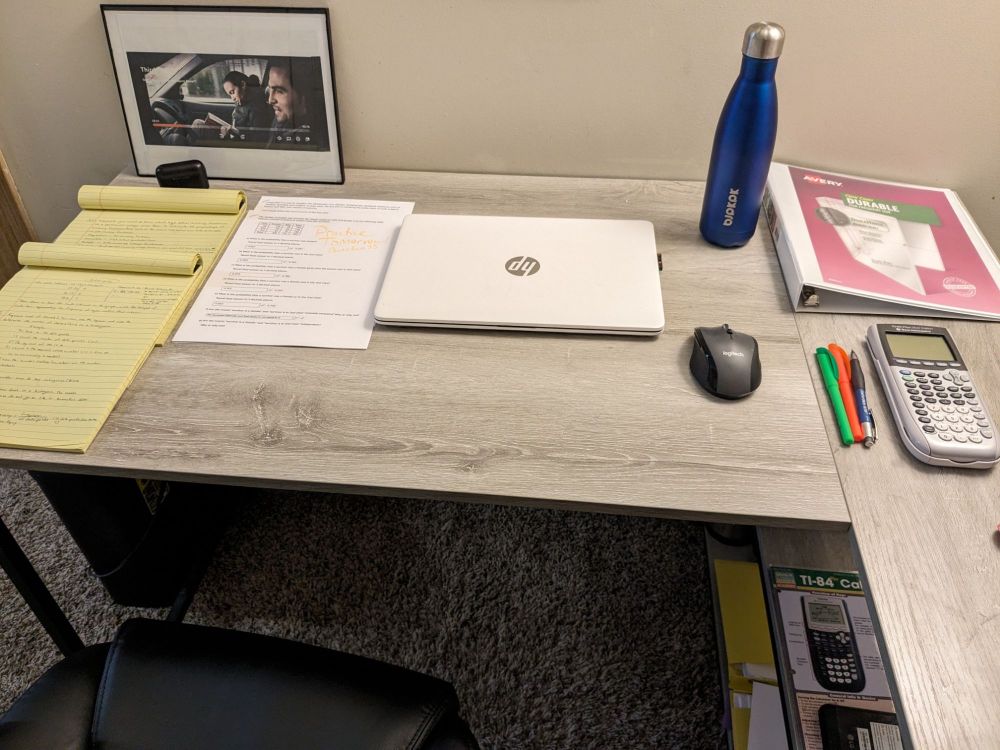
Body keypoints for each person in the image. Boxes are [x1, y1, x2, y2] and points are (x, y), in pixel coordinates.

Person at [265, 58, 327, 148]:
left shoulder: (312, 140)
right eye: (269, 89)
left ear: (304, 97)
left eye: (279, 91)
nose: (270, 100)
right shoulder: (280, 120)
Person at [221, 71, 271, 139]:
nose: (232, 98)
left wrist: (234, 133)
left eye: (232, 92)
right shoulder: (243, 102)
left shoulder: (257, 106)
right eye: (229, 95)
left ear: (243, 84)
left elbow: (257, 137)